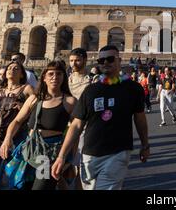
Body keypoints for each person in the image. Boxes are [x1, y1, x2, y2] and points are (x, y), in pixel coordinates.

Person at [51, 45, 149, 190]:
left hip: (118, 152)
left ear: (119, 60)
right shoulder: (91, 90)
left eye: (110, 59)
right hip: (89, 154)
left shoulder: (133, 88)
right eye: (101, 60)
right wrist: (61, 156)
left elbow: (139, 118)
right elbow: (77, 124)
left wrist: (145, 145)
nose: (105, 63)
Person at [0, 61, 76, 190]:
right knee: (22, 187)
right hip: (29, 150)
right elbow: (17, 121)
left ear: (64, 77)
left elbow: (75, 132)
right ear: (44, 78)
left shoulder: (70, 101)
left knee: (40, 188)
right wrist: (7, 139)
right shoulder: (34, 98)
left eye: (59, 74)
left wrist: (69, 158)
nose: (54, 77)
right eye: (50, 74)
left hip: (47, 156)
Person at [0, 61, 35, 190]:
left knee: (15, 178)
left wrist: (23, 108)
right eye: (9, 68)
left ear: (21, 74)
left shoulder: (27, 89)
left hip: (16, 139)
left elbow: (35, 110)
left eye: (16, 68)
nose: (11, 70)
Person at [68, 48, 92, 190]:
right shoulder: (65, 79)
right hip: (65, 123)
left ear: (84, 60)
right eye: (71, 60)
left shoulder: (91, 79)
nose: (74, 63)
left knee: (79, 162)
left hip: (83, 125)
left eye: (77, 60)